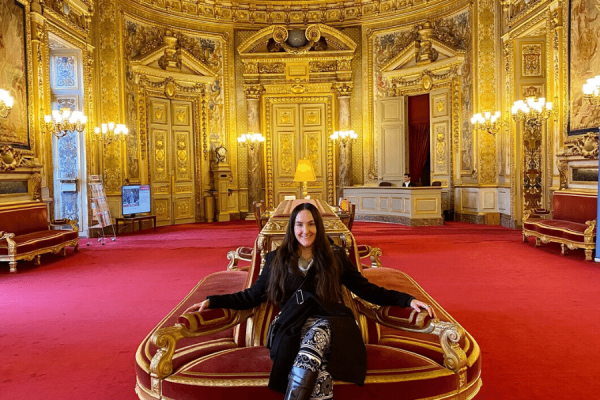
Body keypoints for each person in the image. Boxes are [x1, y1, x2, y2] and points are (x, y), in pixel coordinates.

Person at [184, 202, 433, 400]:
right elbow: (251, 296)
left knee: (318, 335)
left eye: (312, 224)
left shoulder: (334, 256)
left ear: (319, 227)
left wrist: (407, 300)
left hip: (331, 322)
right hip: (291, 326)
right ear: (292, 228)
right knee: (319, 371)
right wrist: (212, 301)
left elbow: (366, 289)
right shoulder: (277, 259)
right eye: (300, 225)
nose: (306, 230)